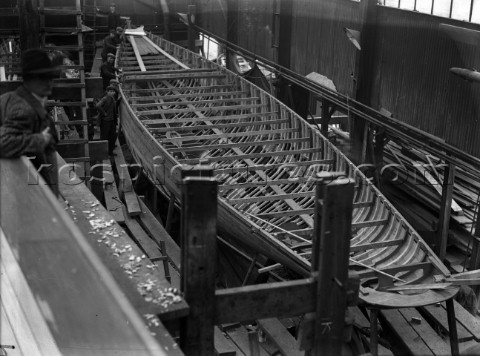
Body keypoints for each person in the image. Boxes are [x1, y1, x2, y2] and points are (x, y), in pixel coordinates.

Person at [0, 48, 60, 196]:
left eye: (50, 76)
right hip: (33, 192)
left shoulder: (13, 98)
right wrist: (41, 139)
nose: (49, 82)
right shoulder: (25, 108)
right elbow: (4, 143)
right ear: (29, 79)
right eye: (42, 77)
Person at [96, 85, 118, 156]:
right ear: (107, 92)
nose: (112, 93)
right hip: (105, 121)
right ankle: (103, 153)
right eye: (110, 91)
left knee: (112, 137)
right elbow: (98, 105)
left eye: (113, 91)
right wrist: (104, 113)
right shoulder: (105, 98)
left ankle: (110, 152)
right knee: (104, 137)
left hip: (112, 121)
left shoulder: (112, 99)